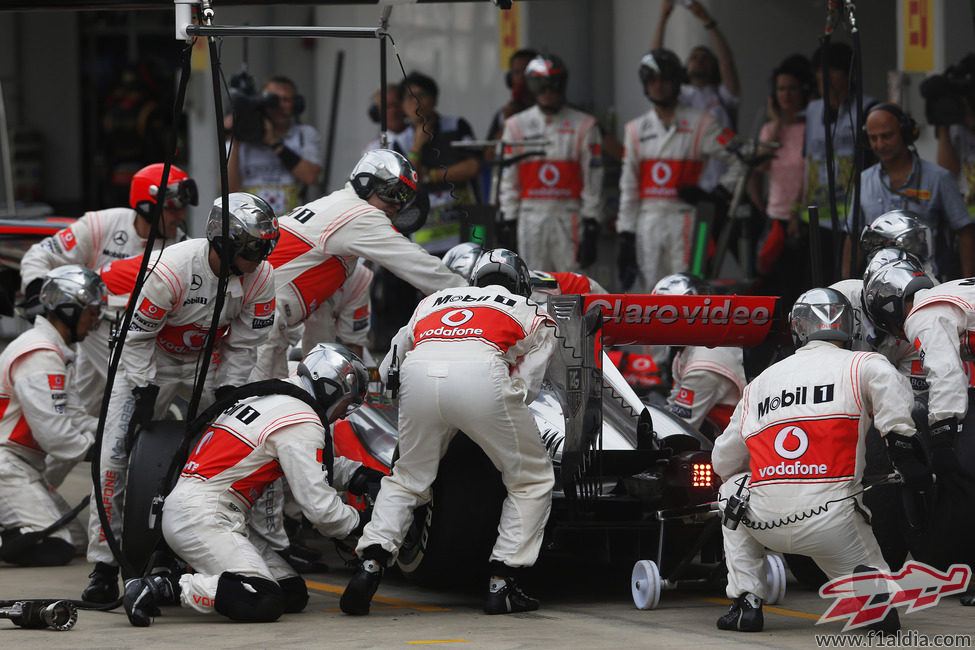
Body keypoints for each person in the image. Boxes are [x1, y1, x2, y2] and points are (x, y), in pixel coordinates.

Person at [82, 192, 280, 604]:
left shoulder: (262, 277)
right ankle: (103, 565)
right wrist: (142, 389)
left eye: (266, 248)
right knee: (112, 456)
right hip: (149, 359)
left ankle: (212, 548)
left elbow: (245, 345)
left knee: (235, 445)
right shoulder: (170, 269)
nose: (261, 258)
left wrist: (228, 390)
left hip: (209, 364)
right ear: (224, 244)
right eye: (254, 249)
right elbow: (136, 338)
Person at [340, 248, 557, 616]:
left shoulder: (433, 302)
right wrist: (491, 415)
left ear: (473, 280)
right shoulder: (534, 312)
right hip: (483, 378)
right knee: (530, 479)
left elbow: (391, 366)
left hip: (418, 376)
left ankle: (371, 563)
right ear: (521, 284)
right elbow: (527, 387)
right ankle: (502, 581)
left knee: (408, 478)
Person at [712, 288, 929, 633]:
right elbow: (896, 397)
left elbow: (724, 458)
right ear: (849, 325)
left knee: (730, 492)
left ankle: (746, 602)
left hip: (765, 521)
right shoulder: (864, 363)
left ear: (797, 328)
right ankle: (870, 600)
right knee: (878, 615)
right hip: (833, 523)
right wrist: (900, 441)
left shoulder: (759, 384)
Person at [120, 343, 382, 626]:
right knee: (263, 598)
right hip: (205, 517)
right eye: (347, 403)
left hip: (203, 510)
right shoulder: (302, 419)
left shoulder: (271, 396)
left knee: (292, 593)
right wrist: (367, 525)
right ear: (330, 388)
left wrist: (358, 475)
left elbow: (312, 464)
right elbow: (320, 510)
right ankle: (161, 587)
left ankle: (189, 570)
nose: (343, 414)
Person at [251, 149, 466, 382]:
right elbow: (420, 267)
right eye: (393, 192)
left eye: (405, 198)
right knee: (252, 406)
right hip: (258, 319)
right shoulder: (359, 214)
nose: (397, 206)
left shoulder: (335, 212)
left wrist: (318, 377)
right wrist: (475, 296)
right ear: (365, 183)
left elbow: (320, 317)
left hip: (256, 317)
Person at [19, 163, 195, 416]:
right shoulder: (101, 224)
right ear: (147, 205)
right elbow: (40, 255)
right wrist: (37, 293)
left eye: (182, 209)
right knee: (85, 408)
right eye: (173, 209)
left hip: (144, 340)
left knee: (130, 406)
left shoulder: (182, 248)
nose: (181, 217)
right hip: (93, 328)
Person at [0, 266, 104, 567]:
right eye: (92, 311)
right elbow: (56, 435)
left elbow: (75, 416)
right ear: (69, 310)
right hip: (6, 466)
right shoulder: (39, 354)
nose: (96, 320)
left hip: (23, 467)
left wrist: (115, 435)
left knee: (77, 541)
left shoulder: (55, 352)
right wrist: (99, 450)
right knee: (56, 548)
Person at [617, 49, 742, 293]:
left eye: (665, 79)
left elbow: (741, 158)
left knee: (690, 291)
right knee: (648, 293)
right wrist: (625, 235)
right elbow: (628, 188)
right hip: (647, 222)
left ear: (677, 81)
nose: (659, 86)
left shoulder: (702, 122)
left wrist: (717, 194)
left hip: (690, 220)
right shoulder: (634, 129)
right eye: (652, 80)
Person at [498, 54, 604, 273]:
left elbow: (593, 180)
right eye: (540, 84)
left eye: (553, 84)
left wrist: (592, 223)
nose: (547, 90)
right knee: (531, 287)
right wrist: (508, 221)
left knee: (574, 286)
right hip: (529, 219)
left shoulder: (584, 125)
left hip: (569, 217)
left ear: (562, 84)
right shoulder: (516, 126)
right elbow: (508, 180)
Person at [857, 103, 975, 279]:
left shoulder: (939, 178)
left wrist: (970, 284)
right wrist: (846, 282)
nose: (880, 144)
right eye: (873, 138)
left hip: (929, 283)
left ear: (905, 133)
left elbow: (965, 232)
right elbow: (853, 237)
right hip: (876, 285)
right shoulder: (863, 180)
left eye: (887, 136)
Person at [802, 42, 872, 283]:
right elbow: (807, 161)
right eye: (820, 73)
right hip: (816, 214)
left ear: (848, 74)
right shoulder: (812, 111)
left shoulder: (866, 108)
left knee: (847, 281)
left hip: (851, 216)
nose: (825, 78)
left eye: (833, 71)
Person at [652, 0, 741, 191]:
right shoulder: (679, 97)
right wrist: (663, 18)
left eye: (705, 58)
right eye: (694, 57)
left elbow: (727, 62)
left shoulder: (722, 95)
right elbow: (654, 66)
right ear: (686, 66)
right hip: (684, 186)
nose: (699, 61)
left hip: (722, 187)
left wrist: (707, 20)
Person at [390, 71, 481, 255]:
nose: (416, 102)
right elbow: (408, 185)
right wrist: (417, 147)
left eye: (421, 95)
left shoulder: (456, 125)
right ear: (402, 106)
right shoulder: (400, 142)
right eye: (409, 97)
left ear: (434, 99)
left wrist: (429, 175)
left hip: (469, 222)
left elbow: (473, 167)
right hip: (427, 234)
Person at [747, 55, 813, 306]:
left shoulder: (810, 128)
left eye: (792, 88)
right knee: (775, 285)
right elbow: (759, 167)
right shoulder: (769, 130)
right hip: (776, 216)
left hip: (803, 217)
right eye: (781, 89)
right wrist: (775, 121)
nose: (786, 95)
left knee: (801, 282)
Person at [653, 273, 745, 438]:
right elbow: (674, 408)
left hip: (736, 453)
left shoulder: (703, 365)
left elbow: (678, 431)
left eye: (664, 314)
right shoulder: (696, 345)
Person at [228, 75, 323, 215]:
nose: (279, 106)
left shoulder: (304, 135)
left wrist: (273, 143)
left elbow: (310, 176)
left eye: (286, 100)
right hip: (250, 223)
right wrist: (236, 139)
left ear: (296, 104)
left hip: (292, 222)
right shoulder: (242, 142)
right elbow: (229, 189)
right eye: (273, 100)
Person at [363, 84, 407, 154]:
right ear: (376, 112)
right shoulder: (373, 149)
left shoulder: (423, 137)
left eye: (397, 105)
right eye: (387, 107)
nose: (393, 111)